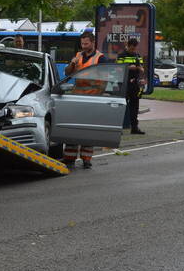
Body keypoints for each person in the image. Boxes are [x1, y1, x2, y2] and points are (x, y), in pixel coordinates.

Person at [62, 30, 106, 169]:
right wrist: (72, 63)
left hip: (93, 98)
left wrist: (100, 96)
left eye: (86, 43)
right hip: (78, 98)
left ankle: (86, 159)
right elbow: (68, 73)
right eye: (82, 43)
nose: (84, 46)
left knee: (88, 130)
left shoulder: (101, 58)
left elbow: (105, 79)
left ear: (93, 43)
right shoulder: (77, 56)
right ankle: (69, 158)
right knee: (73, 129)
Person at [116, 36, 146, 134]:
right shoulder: (121, 56)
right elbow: (118, 69)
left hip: (135, 84)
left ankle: (134, 128)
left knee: (135, 106)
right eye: (132, 48)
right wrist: (128, 67)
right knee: (121, 107)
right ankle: (118, 128)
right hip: (124, 83)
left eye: (135, 48)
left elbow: (141, 67)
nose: (133, 50)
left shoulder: (137, 55)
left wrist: (141, 69)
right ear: (127, 46)